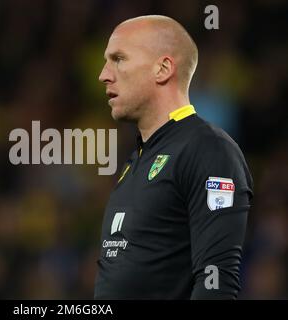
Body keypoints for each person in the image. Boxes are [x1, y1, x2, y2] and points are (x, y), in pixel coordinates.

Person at [94, 15, 253, 299]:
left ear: (163, 68)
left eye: (118, 59)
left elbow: (216, 281)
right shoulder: (135, 162)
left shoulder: (208, 150)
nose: (103, 74)